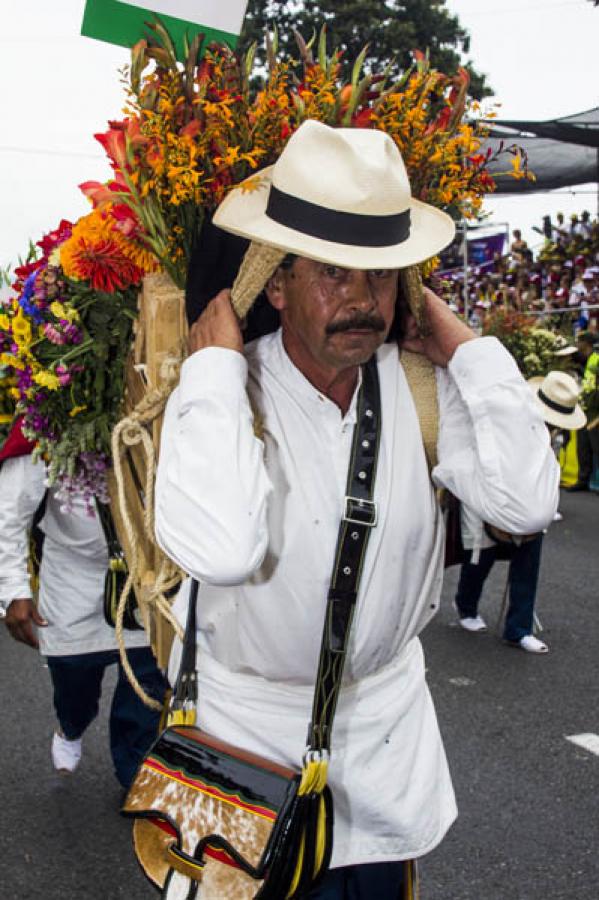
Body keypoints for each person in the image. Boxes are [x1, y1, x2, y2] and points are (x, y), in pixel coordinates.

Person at [154, 121, 559, 896]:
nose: (361, 300)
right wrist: (208, 372)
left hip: (381, 747)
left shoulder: (418, 386)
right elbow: (221, 551)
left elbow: (526, 502)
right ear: (277, 285)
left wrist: (465, 347)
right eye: (333, 275)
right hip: (239, 743)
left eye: (380, 277)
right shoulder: (218, 392)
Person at [0, 430, 166, 788]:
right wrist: (14, 590)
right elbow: (10, 510)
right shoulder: (51, 406)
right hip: (72, 573)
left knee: (147, 683)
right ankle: (71, 725)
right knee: (73, 674)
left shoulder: (159, 394)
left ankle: (134, 777)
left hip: (146, 571)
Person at [455, 371, 586, 654]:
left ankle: (518, 629)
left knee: (527, 566)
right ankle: (466, 607)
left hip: (529, 507)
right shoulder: (508, 422)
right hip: (492, 496)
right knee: (480, 558)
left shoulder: (552, 435)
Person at [567, 331, 599, 491]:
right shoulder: (586, 359)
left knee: (596, 446)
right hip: (584, 408)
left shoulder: (596, 359)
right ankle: (583, 480)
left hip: (595, 410)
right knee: (583, 446)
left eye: (579, 341)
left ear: (586, 343)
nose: (577, 344)